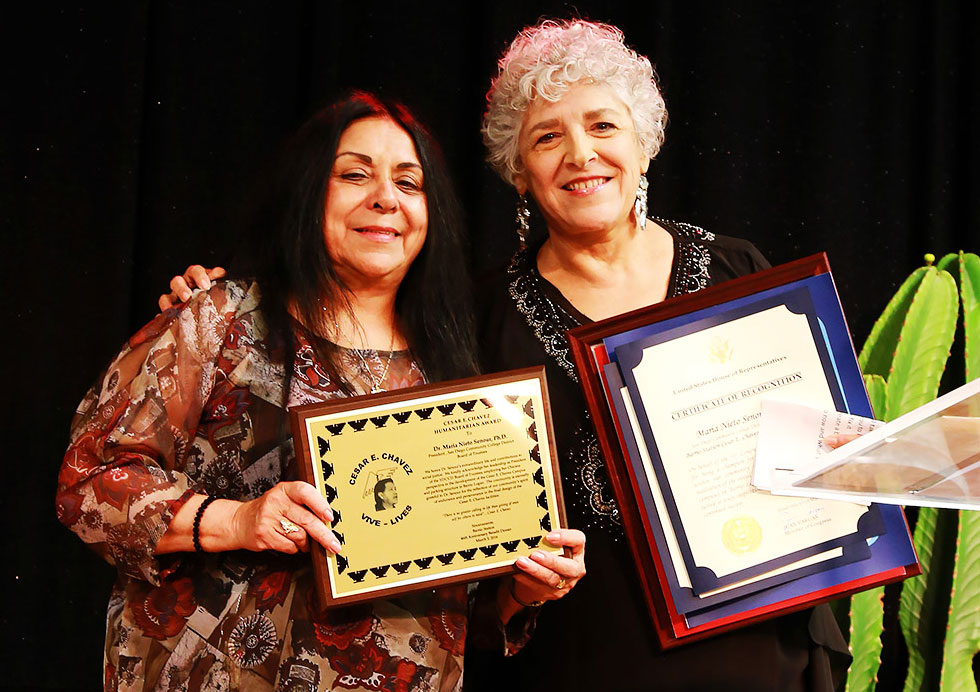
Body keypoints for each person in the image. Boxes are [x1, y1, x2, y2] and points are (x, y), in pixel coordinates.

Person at [159, 19, 850, 691]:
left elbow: (822, 458)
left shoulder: (740, 269)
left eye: (603, 126)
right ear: (519, 172)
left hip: (767, 651)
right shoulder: (474, 319)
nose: (581, 153)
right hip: (582, 663)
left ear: (645, 146)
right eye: (548, 136)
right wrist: (225, 310)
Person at [57, 91, 585, 692]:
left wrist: (522, 588)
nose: (385, 197)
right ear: (309, 195)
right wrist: (237, 520)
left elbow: (463, 608)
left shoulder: (460, 376)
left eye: (409, 184)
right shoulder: (221, 321)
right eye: (354, 174)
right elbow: (88, 480)